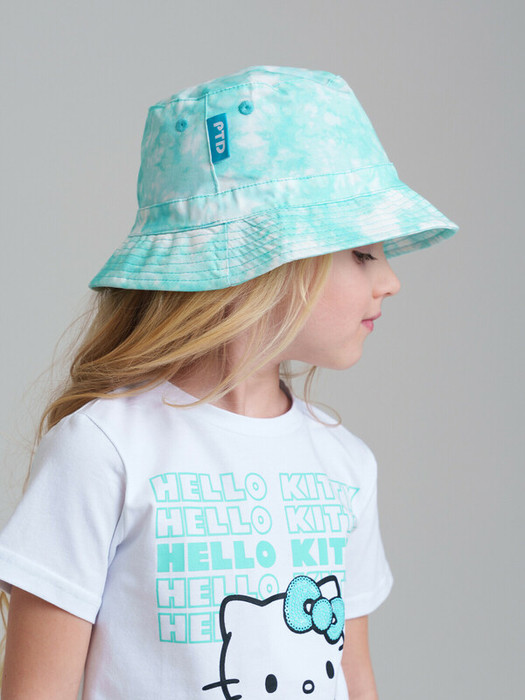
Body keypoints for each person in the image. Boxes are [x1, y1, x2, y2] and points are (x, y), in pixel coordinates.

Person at [0, 65, 458, 699]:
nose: (390, 280)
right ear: (264, 263)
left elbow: (355, 677)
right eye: (362, 253)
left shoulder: (345, 465)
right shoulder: (103, 450)